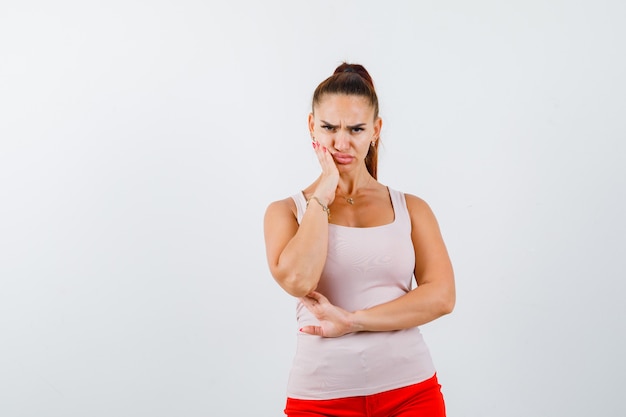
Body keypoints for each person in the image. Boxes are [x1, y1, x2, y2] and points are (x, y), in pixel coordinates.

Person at [263, 62, 455, 417]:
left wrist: (352, 322)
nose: (341, 143)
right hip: (320, 400)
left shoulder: (411, 208)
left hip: (412, 393)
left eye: (356, 129)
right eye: (328, 128)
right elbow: (298, 280)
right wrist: (323, 191)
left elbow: (441, 297)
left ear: (376, 130)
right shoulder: (287, 212)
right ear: (311, 126)